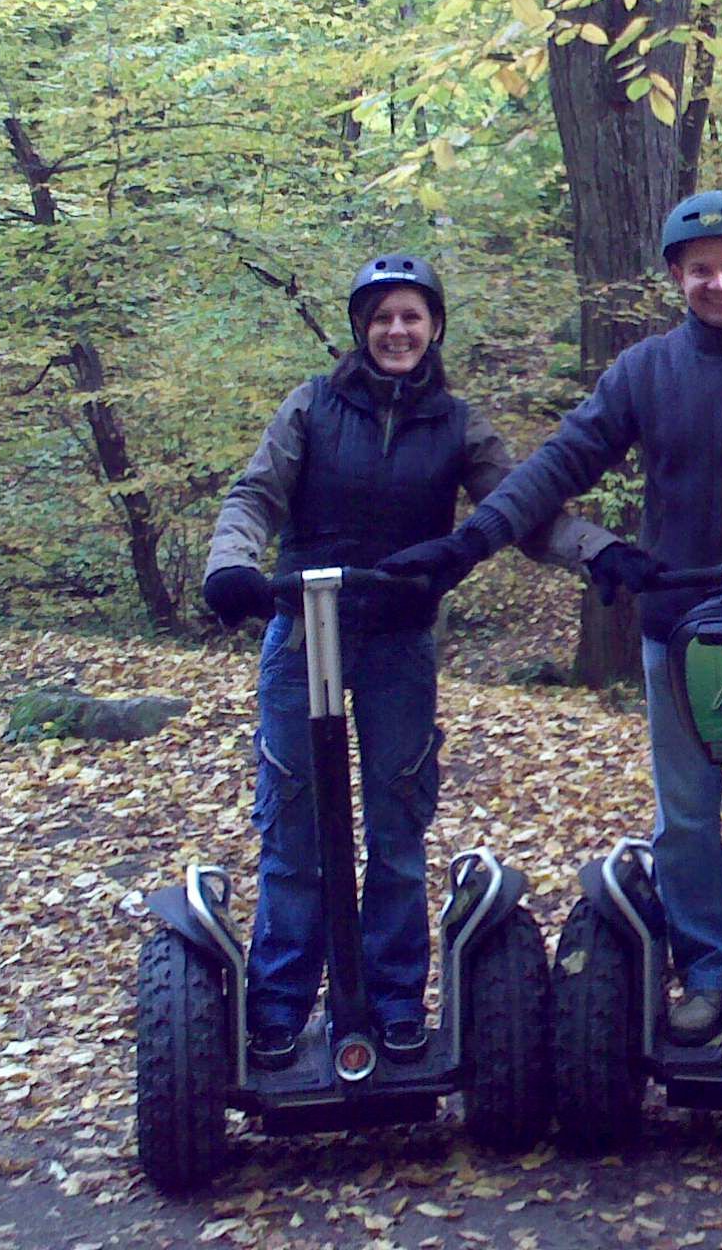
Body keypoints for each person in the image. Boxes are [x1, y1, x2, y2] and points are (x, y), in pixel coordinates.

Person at [379, 191, 722, 1051]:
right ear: (675, 278)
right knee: (685, 813)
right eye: (699, 268)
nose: (717, 281)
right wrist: (471, 544)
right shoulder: (644, 372)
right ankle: (711, 970)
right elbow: (560, 464)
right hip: (680, 624)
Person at [201, 253, 615, 1072]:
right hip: (303, 630)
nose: (398, 331)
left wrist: (602, 553)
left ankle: (395, 1005)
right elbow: (256, 495)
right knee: (294, 827)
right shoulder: (312, 406)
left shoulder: (457, 423)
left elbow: (524, 510)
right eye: (383, 317)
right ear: (361, 329)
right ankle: (280, 1009)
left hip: (397, 639)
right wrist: (230, 566)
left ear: (433, 329)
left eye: (412, 317)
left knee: (396, 829)